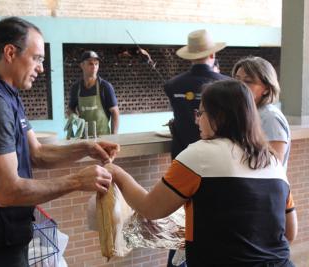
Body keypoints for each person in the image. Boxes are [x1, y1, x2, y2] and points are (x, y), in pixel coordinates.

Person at [0, 17, 119, 267]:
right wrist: (77, 181)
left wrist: (86, 148)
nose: (41, 67)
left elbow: (36, 154)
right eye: (37, 58)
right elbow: (8, 192)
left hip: (3, 238)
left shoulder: (9, 96)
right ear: (10, 52)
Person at [105, 80, 298, 267]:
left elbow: (151, 208)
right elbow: (290, 232)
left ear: (219, 116)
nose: (197, 119)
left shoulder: (199, 155)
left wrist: (117, 173)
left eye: (201, 112)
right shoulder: (272, 161)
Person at [164, 29, 229, 266]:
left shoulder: (173, 85)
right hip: (218, 168)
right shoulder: (229, 86)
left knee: (181, 227)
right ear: (212, 54)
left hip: (182, 167)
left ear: (190, 56)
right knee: (213, 226)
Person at [232, 56, 291, 169]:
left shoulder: (270, 117)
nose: (239, 85)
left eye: (248, 81)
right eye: (237, 79)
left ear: (267, 89)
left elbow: (274, 164)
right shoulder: (245, 112)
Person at [68, 50, 119, 136]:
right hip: (84, 138)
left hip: (104, 138)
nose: (94, 67)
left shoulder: (105, 87)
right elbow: (70, 109)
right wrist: (75, 119)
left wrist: (114, 137)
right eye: (90, 64)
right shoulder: (76, 88)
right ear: (82, 65)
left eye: (96, 64)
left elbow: (115, 112)